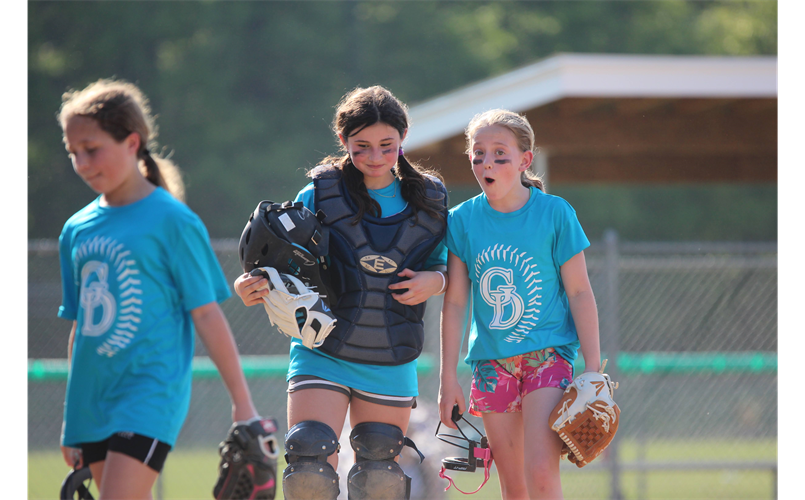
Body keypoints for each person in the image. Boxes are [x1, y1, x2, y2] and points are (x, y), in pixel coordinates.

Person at [234, 85, 449, 500]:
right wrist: (252, 285)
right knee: (309, 464)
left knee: (379, 478)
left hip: (389, 354)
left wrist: (434, 281)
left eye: (387, 145)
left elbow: (448, 266)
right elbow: (278, 264)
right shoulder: (319, 193)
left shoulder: (429, 199)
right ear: (343, 141)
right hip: (323, 350)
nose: (374, 157)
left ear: (404, 137)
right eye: (361, 146)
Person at [56, 79, 260, 499]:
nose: (82, 163)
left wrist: (243, 404)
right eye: (73, 152)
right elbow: (80, 329)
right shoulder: (74, 229)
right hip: (92, 401)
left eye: (92, 149)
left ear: (132, 142)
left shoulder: (172, 221)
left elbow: (206, 313)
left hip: (148, 392)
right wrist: (70, 420)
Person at [438, 109, 602, 500]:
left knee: (542, 474)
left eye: (499, 154)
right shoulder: (461, 220)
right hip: (491, 364)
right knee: (515, 488)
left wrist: (593, 371)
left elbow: (580, 292)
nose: (486, 163)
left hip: (547, 356)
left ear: (525, 160)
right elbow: (457, 300)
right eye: (478, 154)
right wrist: (448, 379)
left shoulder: (554, 213)